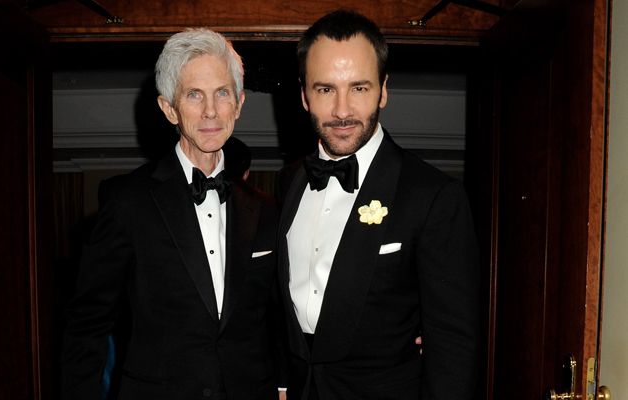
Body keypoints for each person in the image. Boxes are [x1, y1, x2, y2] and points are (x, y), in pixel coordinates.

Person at [61, 28, 285, 400]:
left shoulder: (267, 209)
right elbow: (87, 324)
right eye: (194, 95)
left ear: (239, 104)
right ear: (170, 109)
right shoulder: (127, 202)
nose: (211, 111)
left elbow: (278, 319)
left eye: (222, 93)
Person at [277, 9, 479, 400]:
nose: (341, 110)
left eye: (359, 88)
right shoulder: (289, 182)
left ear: (384, 90)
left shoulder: (433, 195)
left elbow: (454, 346)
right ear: (304, 95)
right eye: (324, 89)